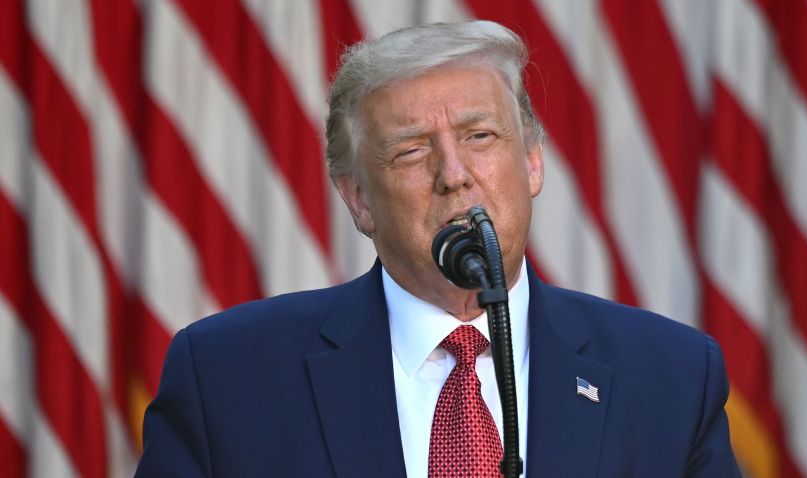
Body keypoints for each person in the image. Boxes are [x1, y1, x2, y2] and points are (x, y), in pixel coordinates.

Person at [135, 21, 740, 477]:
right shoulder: (226, 377)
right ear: (358, 199)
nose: (455, 174)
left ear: (532, 162)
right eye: (411, 151)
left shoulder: (670, 377)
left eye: (480, 136)